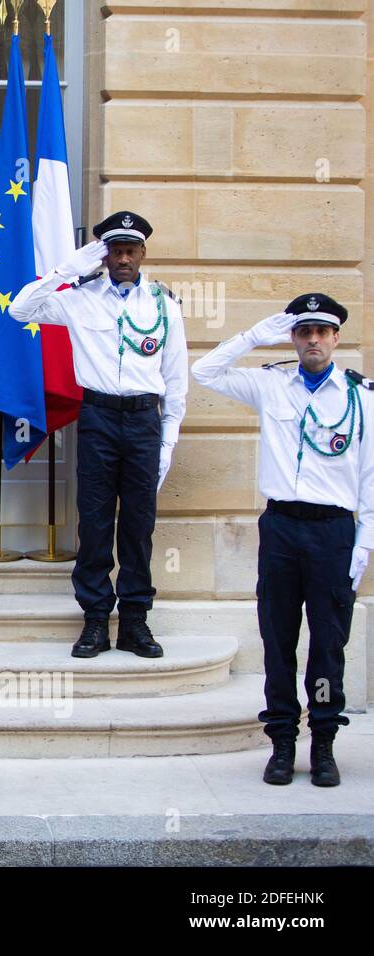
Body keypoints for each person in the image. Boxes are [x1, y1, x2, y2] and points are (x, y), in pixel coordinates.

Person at [192, 295, 369, 787]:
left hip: (335, 532)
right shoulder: (271, 385)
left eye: (321, 332)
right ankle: (283, 742)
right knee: (278, 640)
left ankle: (325, 743)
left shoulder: (362, 398)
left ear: (336, 339)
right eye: (303, 331)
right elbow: (205, 371)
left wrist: (363, 545)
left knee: (329, 644)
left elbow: (372, 478)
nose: (312, 340)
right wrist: (254, 335)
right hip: (282, 529)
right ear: (293, 337)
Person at [9, 211, 188, 659]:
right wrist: (70, 268)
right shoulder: (79, 297)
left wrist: (167, 444)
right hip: (99, 418)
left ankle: (135, 622)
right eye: (115, 250)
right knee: (94, 522)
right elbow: (20, 309)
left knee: (138, 526)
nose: (123, 257)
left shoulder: (164, 303)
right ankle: (93, 621)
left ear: (143, 253)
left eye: (130, 249)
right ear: (104, 255)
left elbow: (177, 382)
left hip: (145, 420)